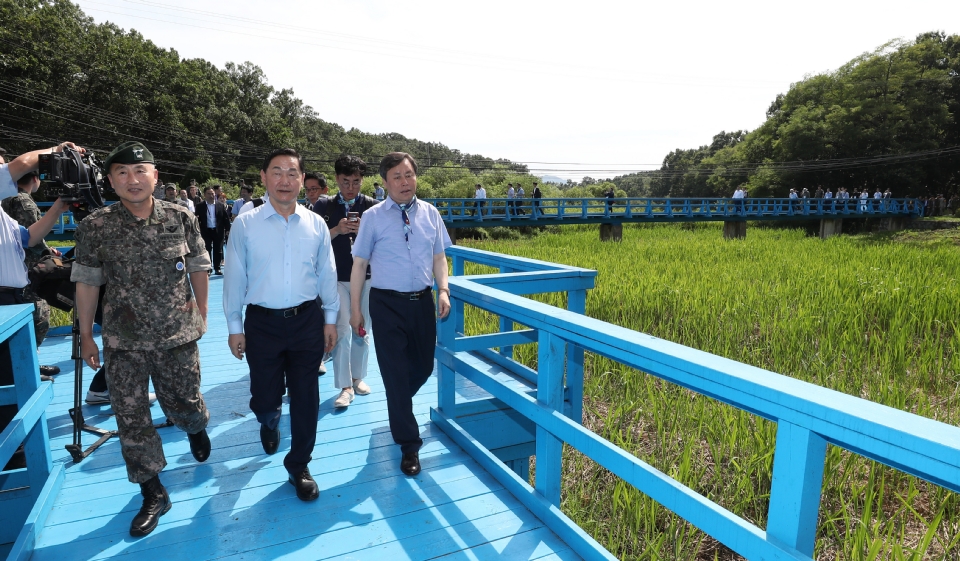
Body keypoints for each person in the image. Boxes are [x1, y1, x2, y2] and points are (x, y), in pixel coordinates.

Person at [71, 141, 212, 538]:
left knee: (184, 403)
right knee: (131, 419)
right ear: (111, 181)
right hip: (124, 341)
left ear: (155, 176)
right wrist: (86, 335)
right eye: (122, 173)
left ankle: (196, 426)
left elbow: (200, 266)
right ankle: (152, 491)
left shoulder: (181, 217)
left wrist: (201, 312)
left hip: (176, 336)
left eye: (140, 171)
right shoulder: (96, 226)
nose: (132, 180)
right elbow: (87, 283)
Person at [223, 147, 338, 503]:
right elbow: (234, 277)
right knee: (265, 394)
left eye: (292, 173)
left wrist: (330, 319)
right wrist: (234, 325)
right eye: (276, 172)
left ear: (302, 180)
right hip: (262, 323)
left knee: (307, 396)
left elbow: (327, 274)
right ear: (263, 177)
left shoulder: (316, 223)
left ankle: (299, 464)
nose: (284, 180)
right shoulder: (245, 224)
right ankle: (268, 418)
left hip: (306, 320)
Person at [350, 152, 451, 477]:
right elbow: (360, 265)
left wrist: (444, 290)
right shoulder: (373, 217)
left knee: (423, 366)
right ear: (384, 182)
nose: (405, 182)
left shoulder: (431, 214)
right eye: (397, 176)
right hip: (386, 304)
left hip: (422, 301)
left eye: (409, 175)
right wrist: (355, 309)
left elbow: (439, 258)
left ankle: (397, 404)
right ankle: (409, 446)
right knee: (394, 373)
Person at [1, 142, 79, 438]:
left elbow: (30, 237)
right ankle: (12, 446)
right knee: (6, 381)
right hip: (2, 299)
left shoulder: (3, 215)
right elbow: (21, 164)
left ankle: (14, 442)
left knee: (13, 379)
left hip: (13, 300)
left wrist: (59, 206)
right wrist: (58, 150)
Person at [313, 155, 377, 408]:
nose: (351, 188)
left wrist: (365, 232)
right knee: (341, 330)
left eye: (356, 182)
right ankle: (345, 386)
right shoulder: (323, 207)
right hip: (336, 278)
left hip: (368, 278)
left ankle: (358, 377)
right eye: (346, 181)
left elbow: (385, 244)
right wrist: (337, 230)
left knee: (362, 330)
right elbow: (313, 244)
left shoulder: (373, 207)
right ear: (337, 179)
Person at [1, 172, 56, 372]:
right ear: (35, 179)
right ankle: (28, 365)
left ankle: (25, 364)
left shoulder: (4, 198)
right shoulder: (24, 201)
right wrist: (47, 253)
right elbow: (31, 235)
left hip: (13, 268)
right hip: (26, 268)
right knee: (40, 314)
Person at [195, 186, 230, 275]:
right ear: (204, 195)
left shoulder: (220, 205)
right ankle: (208, 268)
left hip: (218, 230)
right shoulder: (200, 206)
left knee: (218, 250)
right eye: (209, 194)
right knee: (207, 249)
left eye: (212, 194)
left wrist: (228, 229)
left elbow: (225, 218)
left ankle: (217, 268)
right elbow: (196, 219)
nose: (211, 196)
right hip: (206, 230)